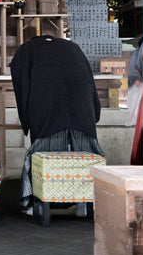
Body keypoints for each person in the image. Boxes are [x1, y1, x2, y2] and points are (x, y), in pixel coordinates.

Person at [9, 35, 104, 213]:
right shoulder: (73, 48)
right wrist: (94, 111)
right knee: (84, 153)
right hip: (81, 108)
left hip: (46, 107)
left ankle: (36, 202)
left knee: (42, 154)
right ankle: (84, 203)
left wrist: (27, 118)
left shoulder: (27, 50)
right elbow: (89, 80)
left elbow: (22, 84)